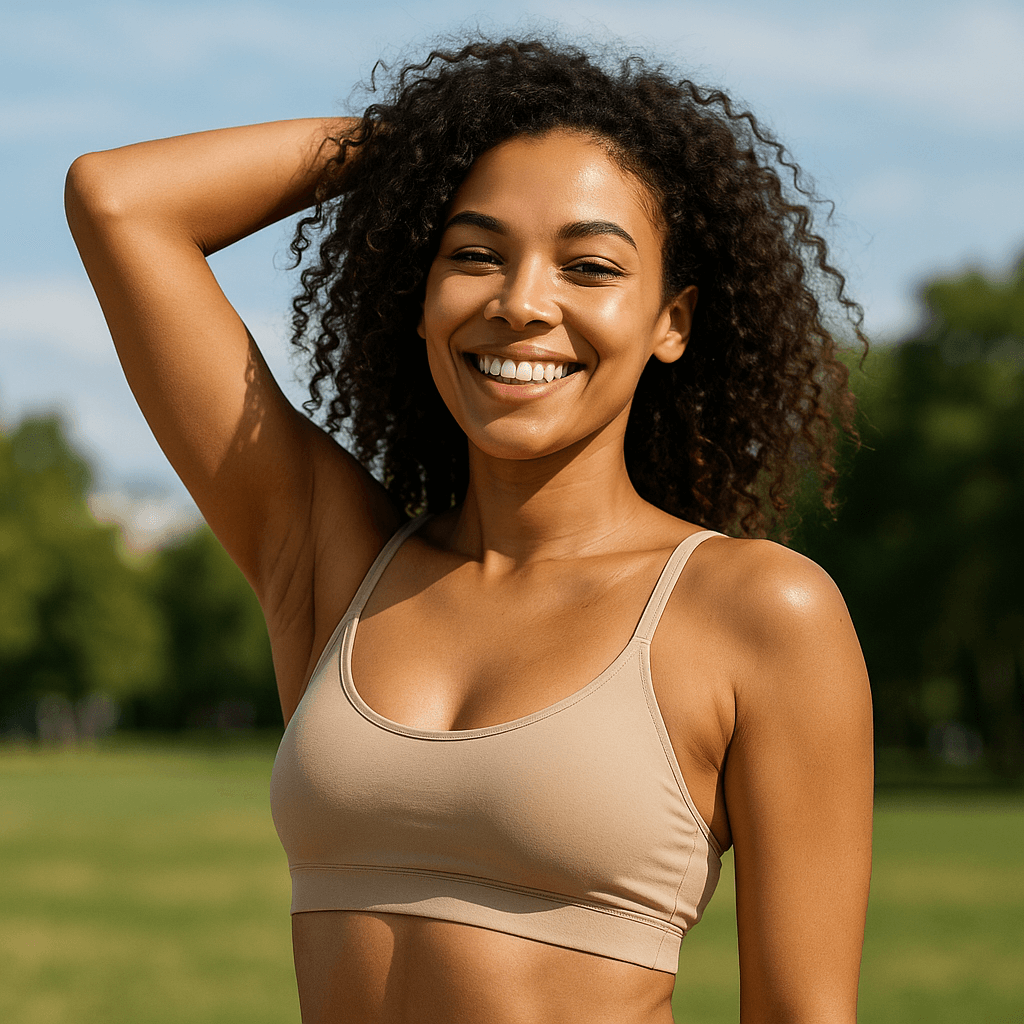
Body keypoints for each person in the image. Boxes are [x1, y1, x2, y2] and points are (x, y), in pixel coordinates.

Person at [65, 37, 873, 1024]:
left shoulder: (758, 610)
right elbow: (120, 200)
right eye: (476, 253)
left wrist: (465, 140)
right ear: (421, 298)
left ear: (672, 321)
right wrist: (430, 140)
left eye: (588, 266)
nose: (521, 302)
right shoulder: (336, 562)